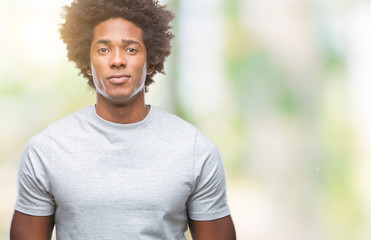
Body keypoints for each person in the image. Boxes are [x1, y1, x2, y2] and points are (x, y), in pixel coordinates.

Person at [9, 0, 236, 239]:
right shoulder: (46, 150)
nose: (117, 61)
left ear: (151, 63)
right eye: (103, 49)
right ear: (88, 63)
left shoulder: (195, 151)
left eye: (131, 49)